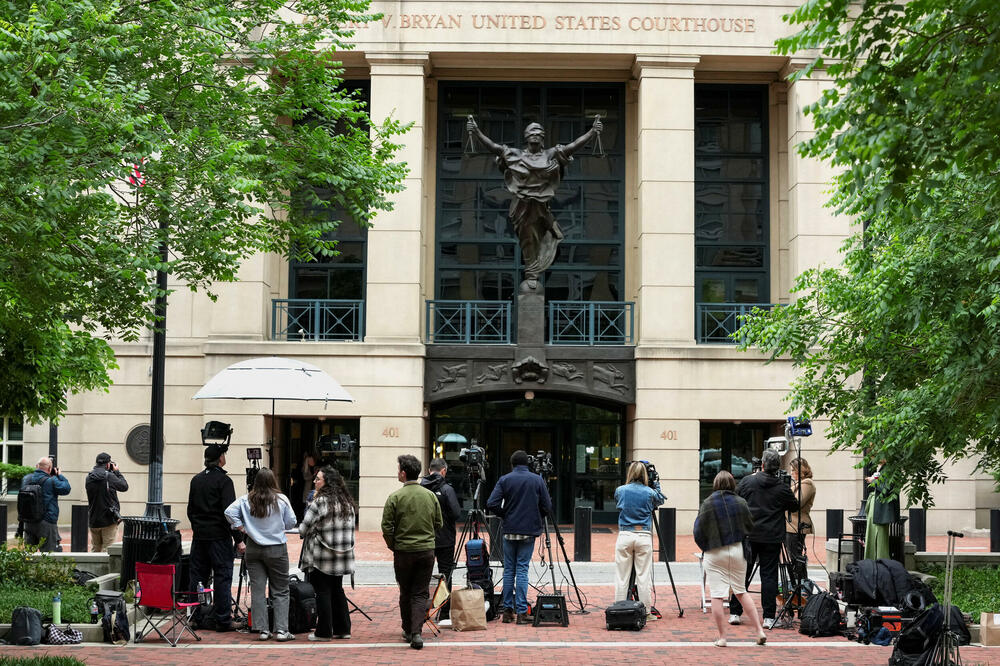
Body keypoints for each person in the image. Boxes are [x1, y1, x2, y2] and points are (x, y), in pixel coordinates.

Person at [466, 115, 603, 289]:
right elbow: (493, 147)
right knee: (528, 239)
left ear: (543, 137)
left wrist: (592, 132)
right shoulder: (516, 154)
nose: (535, 135)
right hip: (522, 207)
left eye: (539, 132)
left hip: (541, 207)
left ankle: (534, 272)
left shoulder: (550, 154)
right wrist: (476, 132)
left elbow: (572, 146)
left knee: (542, 239)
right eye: (532, 132)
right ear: (526, 136)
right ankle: (531, 272)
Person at [694, 471, 767, 647]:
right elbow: (750, 525)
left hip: (714, 551)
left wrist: (706, 546)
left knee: (718, 596)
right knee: (741, 591)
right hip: (736, 549)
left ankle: (722, 637)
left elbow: (698, 530)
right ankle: (759, 630)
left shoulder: (708, 503)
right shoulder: (741, 502)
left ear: (715, 483)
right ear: (733, 484)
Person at [728, 448, 799, 629]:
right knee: (769, 576)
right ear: (777, 467)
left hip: (749, 535)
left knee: (742, 573)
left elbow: (735, 499)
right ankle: (768, 617)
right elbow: (794, 506)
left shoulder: (748, 482)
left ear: (763, 464)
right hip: (772, 537)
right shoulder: (782, 487)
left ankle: (735, 612)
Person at [225, 467, 297, 642]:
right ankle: (281, 630)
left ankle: (263, 629)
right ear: (273, 481)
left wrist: (242, 527)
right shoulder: (281, 499)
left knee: (257, 589)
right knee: (280, 590)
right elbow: (291, 522)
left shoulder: (246, 499)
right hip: (277, 548)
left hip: (254, 547)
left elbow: (228, 512)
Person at [382, 454, 442, 650]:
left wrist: (394, 545)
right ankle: (416, 632)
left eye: (398, 469)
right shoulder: (430, 496)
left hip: (403, 551)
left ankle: (408, 629)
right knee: (420, 592)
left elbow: (386, 527)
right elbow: (438, 523)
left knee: (405, 591)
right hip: (426, 550)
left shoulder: (395, 497)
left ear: (403, 473)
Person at [486, 450, 553, 625]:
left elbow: (491, 503)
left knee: (509, 570)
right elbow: (547, 505)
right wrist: (536, 516)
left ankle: (508, 611)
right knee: (522, 569)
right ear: (527, 464)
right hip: (528, 530)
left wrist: (505, 514)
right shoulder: (537, 479)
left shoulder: (505, 479)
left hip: (509, 529)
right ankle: (522, 611)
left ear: (512, 464)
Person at [187, 443, 243, 631]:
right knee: (222, 576)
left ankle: (195, 617)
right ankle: (222, 619)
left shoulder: (196, 480)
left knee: (197, 577)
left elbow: (190, 510)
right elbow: (229, 513)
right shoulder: (224, 481)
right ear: (221, 459)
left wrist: (198, 527)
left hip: (200, 537)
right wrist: (238, 539)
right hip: (219, 537)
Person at [298, 466, 357, 642]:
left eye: (318, 479)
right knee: (337, 590)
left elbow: (303, 529)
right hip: (342, 556)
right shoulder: (347, 501)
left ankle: (323, 632)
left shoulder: (320, 502)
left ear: (327, 482)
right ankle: (343, 628)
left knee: (322, 591)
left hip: (322, 556)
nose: (315, 482)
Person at [613, 461, 664, 621]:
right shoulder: (649, 492)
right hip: (643, 536)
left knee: (622, 576)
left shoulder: (620, 490)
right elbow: (660, 500)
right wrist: (656, 483)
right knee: (643, 576)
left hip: (625, 535)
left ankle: (619, 608)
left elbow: (618, 504)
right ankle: (646, 612)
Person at [420, 458, 461, 621]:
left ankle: (422, 610)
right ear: (443, 471)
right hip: (445, 538)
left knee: (424, 575)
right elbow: (456, 513)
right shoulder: (446, 489)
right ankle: (444, 612)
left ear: (430, 470)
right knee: (445, 574)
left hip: (425, 538)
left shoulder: (420, 488)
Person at [21, 457, 71, 552]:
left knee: (29, 555)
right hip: (46, 522)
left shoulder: (26, 479)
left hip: (28, 521)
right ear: (49, 469)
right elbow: (66, 488)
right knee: (48, 555)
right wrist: (59, 475)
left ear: (37, 466)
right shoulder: (52, 481)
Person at [85, 452, 128, 553]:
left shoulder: (89, 477)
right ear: (108, 464)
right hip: (108, 519)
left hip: (93, 519)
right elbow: (124, 486)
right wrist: (117, 472)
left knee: (96, 549)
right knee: (108, 550)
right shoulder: (109, 476)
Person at [785, 457, 815, 579]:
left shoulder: (807, 483)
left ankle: (802, 583)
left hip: (797, 525)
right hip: (790, 524)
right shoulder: (798, 484)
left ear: (799, 470)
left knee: (795, 557)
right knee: (791, 557)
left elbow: (797, 503)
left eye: (793, 470)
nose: (791, 473)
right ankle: (796, 583)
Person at [864, 459, 899, 560]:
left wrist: (873, 481)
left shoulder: (890, 468)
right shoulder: (882, 468)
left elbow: (886, 488)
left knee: (880, 539)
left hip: (881, 508)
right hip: (876, 505)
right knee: (871, 535)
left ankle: (880, 564)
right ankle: (872, 563)